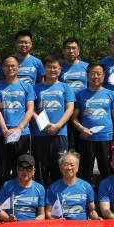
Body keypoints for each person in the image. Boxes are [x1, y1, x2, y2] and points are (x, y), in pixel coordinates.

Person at [71, 63, 114, 184]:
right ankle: (86, 194)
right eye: (92, 73)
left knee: (107, 171)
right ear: (87, 75)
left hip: (106, 138)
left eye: (99, 74)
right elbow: (74, 118)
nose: (96, 76)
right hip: (86, 139)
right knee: (84, 173)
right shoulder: (80, 94)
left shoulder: (111, 94)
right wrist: (82, 129)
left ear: (104, 76)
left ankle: (107, 193)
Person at [0, 56, 35, 184]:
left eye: (13, 65)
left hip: (22, 134)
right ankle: (3, 195)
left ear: (18, 67)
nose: (10, 68)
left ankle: (20, 195)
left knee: (22, 169)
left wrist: (19, 128)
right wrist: (4, 129)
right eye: (7, 65)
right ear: (3, 68)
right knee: (2, 171)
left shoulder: (27, 87)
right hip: (2, 134)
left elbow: (30, 109)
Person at [31, 56, 75, 186]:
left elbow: (70, 109)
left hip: (60, 133)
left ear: (60, 69)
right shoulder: (35, 88)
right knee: (41, 169)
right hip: (40, 134)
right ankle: (42, 196)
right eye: (49, 67)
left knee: (59, 168)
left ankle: (57, 197)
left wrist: (58, 126)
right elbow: (31, 109)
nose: (52, 70)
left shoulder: (66, 87)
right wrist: (43, 124)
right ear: (44, 69)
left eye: (55, 67)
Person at [45, 152, 98, 220]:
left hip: (81, 225)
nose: (69, 168)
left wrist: (97, 218)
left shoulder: (86, 186)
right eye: (65, 165)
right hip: (62, 224)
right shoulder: (53, 188)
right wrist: (56, 221)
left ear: (77, 167)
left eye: (72, 165)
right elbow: (48, 212)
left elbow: (92, 211)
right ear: (60, 167)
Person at [0, 154, 47, 221]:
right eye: (21, 168)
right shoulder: (8, 185)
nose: (24, 171)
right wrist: (8, 218)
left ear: (34, 171)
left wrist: (35, 222)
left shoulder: (40, 188)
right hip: (12, 224)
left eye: (28, 168)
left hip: (32, 224)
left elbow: (42, 214)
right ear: (17, 170)